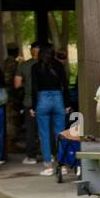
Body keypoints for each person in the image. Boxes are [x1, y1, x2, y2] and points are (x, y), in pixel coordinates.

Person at [30, 44, 71, 177]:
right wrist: (67, 104)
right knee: (60, 134)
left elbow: (34, 88)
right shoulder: (59, 66)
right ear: (53, 54)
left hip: (42, 100)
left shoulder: (35, 68)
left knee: (44, 134)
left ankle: (48, 166)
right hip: (58, 98)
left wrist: (33, 106)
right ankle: (62, 166)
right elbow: (65, 85)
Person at [14, 42, 40, 164]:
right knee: (47, 129)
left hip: (29, 101)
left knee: (31, 130)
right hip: (46, 100)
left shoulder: (23, 65)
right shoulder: (49, 64)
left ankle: (31, 156)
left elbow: (17, 84)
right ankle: (50, 154)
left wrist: (26, 85)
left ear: (31, 51)